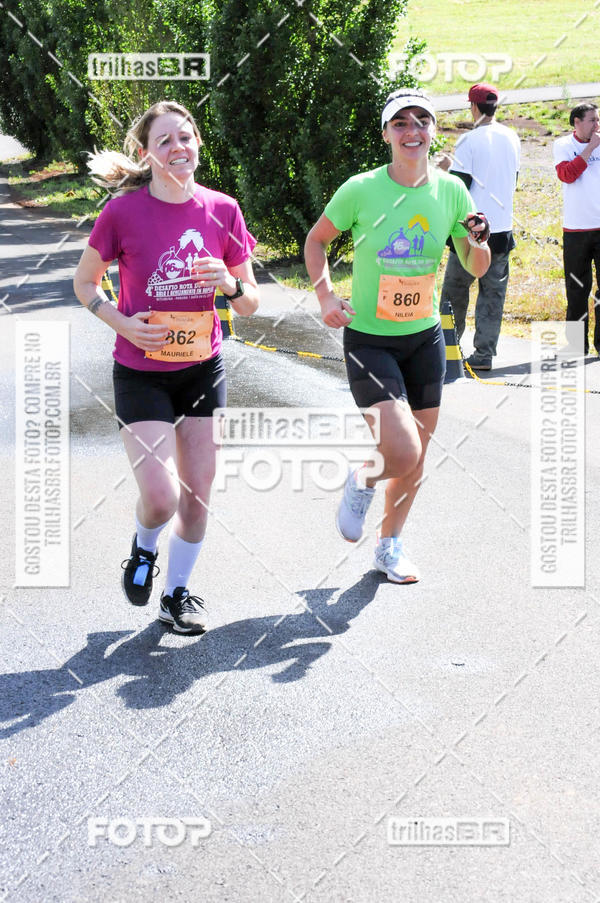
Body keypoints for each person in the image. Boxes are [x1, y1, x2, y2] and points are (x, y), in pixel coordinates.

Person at [73, 101, 259, 634]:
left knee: (197, 496)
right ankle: (143, 546)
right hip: (140, 371)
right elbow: (85, 283)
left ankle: (176, 595)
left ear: (198, 141)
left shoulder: (223, 209)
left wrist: (229, 283)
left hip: (203, 370)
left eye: (186, 137)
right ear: (146, 153)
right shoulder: (123, 214)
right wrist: (121, 322)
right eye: (165, 142)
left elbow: (250, 304)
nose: (178, 149)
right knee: (160, 497)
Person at [304, 89, 490, 583]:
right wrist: (326, 298)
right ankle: (362, 480)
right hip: (369, 339)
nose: (412, 131)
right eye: (401, 123)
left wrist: (477, 241)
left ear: (433, 132)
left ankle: (388, 548)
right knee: (402, 451)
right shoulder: (361, 189)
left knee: (415, 458)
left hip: (425, 336)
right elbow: (317, 240)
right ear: (386, 134)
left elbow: (475, 266)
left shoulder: (451, 190)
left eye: (422, 122)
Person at [439, 83, 520, 370]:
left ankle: (448, 350)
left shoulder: (468, 141)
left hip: (470, 230)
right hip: (501, 229)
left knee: (454, 293)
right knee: (493, 295)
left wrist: (442, 170)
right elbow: (515, 179)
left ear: (473, 107)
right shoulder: (512, 137)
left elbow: (458, 188)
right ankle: (484, 355)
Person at [553, 102, 600, 355]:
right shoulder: (562, 145)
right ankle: (575, 346)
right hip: (575, 230)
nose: (596, 124)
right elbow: (567, 175)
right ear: (577, 122)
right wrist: (590, 148)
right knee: (577, 289)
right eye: (592, 119)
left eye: (597, 119)